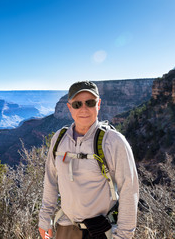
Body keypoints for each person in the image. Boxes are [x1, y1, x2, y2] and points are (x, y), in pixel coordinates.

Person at [38, 81, 139, 239]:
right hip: (67, 227)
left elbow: (129, 189)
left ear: (98, 104)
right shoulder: (59, 138)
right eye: (77, 104)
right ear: (69, 107)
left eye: (90, 103)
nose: (83, 109)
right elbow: (50, 179)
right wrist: (45, 219)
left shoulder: (114, 141)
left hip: (101, 230)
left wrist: (124, 236)